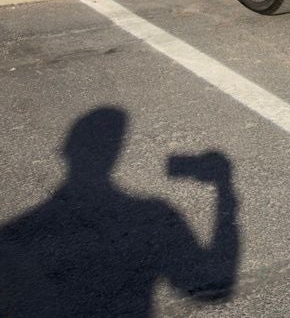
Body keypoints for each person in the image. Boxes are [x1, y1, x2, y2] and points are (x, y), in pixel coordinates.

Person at [0, 108, 239, 316]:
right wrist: (225, 191)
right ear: (118, 152)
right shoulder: (154, 214)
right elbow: (215, 287)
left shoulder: (12, 236)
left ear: (66, 152)